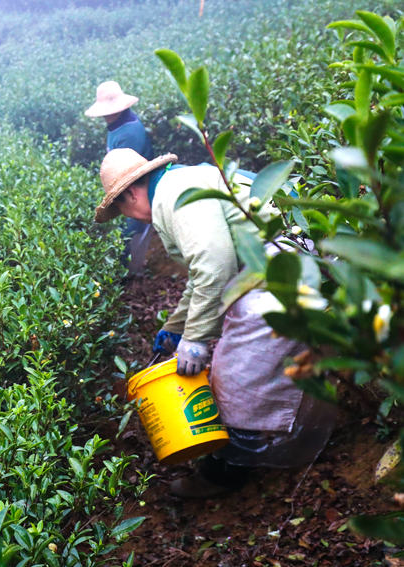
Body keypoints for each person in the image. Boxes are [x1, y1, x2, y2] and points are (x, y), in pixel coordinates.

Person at [95, 148, 336, 498]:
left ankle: (229, 471)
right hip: (283, 254)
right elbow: (201, 275)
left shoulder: (174, 196)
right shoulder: (179, 185)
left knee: (236, 371)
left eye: (121, 209)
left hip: (287, 258)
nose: (129, 216)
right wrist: (178, 326)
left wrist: (195, 339)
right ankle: (256, 443)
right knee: (241, 352)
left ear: (130, 194)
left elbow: (214, 266)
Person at [85, 81, 155, 274]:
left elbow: (128, 172)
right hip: (126, 189)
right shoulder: (117, 124)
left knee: (132, 231)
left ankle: (131, 274)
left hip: (136, 189)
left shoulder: (130, 133)